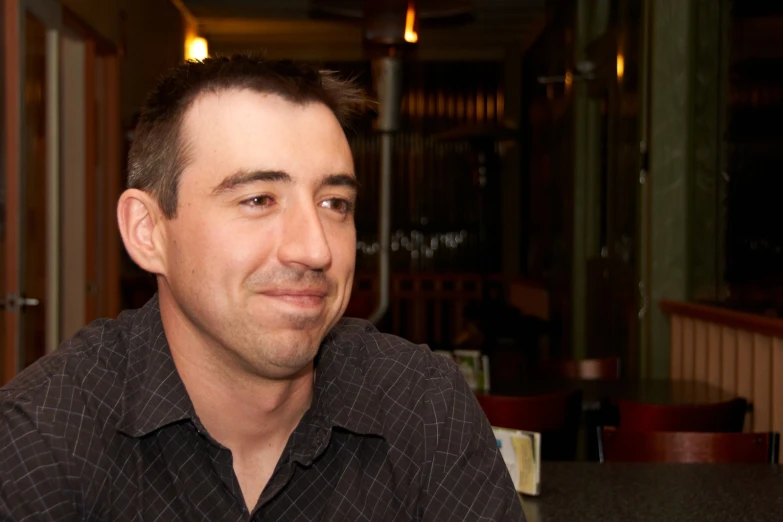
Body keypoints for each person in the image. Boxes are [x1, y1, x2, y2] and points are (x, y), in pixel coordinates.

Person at [0, 54, 525, 521]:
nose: (316, 250)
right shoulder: (43, 437)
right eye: (258, 199)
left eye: (334, 204)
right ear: (149, 231)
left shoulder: (422, 404)